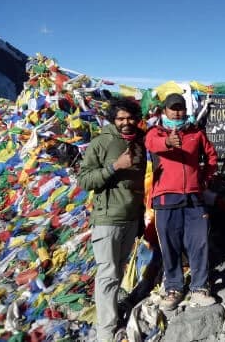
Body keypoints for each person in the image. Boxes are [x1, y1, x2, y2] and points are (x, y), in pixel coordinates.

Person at [78, 98, 146, 342]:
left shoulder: (140, 142)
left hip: (130, 218)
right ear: (113, 120)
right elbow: (85, 181)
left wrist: (139, 217)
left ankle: (112, 314)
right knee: (108, 274)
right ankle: (106, 332)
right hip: (107, 219)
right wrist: (114, 166)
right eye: (120, 119)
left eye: (130, 118)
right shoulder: (101, 143)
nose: (126, 123)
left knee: (117, 271)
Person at [145, 92, 218, 310]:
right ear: (164, 111)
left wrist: (205, 179)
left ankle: (199, 287)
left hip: (194, 197)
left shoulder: (196, 133)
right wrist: (168, 142)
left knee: (199, 243)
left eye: (180, 108)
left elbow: (211, 157)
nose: (177, 112)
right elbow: (152, 144)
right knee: (169, 245)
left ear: (185, 111)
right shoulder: (155, 132)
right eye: (172, 108)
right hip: (166, 198)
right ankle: (174, 287)